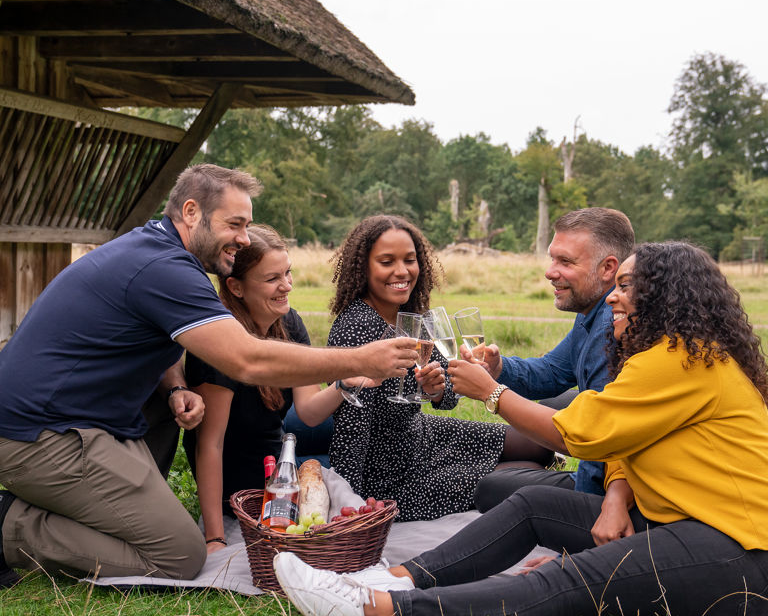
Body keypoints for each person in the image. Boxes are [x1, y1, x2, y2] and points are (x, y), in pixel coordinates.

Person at [273, 241, 768, 616]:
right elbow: (625, 439)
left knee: (567, 580)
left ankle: (376, 614)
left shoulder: (681, 360)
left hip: (737, 548)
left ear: (666, 296)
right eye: (615, 287)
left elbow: (584, 433)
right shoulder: (672, 356)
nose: (614, 299)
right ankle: (389, 578)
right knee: (531, 502)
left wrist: (490, 392)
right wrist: (616, 496)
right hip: (677, 521)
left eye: (626, 287)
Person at [0, 165, 417, 586]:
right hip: (39, 433)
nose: (243, 237)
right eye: (234, 224)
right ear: (191, 212)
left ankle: (51, 505)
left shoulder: (156, 251)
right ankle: (7, 526)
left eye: (247, 225)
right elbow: (247, 361)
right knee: (179, 555)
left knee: (163, 460)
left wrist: (177, 385)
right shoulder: (165, 268)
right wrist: (360, 359)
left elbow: (143, 332)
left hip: (81, 422)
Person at [327, 214, 553, 522]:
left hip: (424, 437)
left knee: (540, 446)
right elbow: (351, 423)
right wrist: (350, 502)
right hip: (390, 478)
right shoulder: (357, 328)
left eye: (410, 260)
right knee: (528, 474)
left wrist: (435, 390)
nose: (402, 271)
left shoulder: (409, 316)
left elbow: (447, 396)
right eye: (386, 261)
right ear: (363, 267)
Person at [184, 225, 351, 553]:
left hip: (278, 460)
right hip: (241, 484)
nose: (286, 285)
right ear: (236, 287)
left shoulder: (289, 324)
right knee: (333, 471)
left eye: (287, 273)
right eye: (272, 278)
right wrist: (215, 537)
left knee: (340, 453)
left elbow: (309, 412)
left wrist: (346, 382)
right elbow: (210, 445)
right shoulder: (219, 343)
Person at [473, 207, 635, 510]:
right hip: (599, 470)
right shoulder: (593, 312)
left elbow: (595, 438)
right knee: (555, 407)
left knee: (490, 489)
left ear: (607, 268)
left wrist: (489, 391)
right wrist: (500, 367)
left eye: (565, 261)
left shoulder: (609, 326)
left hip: (608, 494)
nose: (550, 271)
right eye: (552, 258)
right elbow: (552, 371)